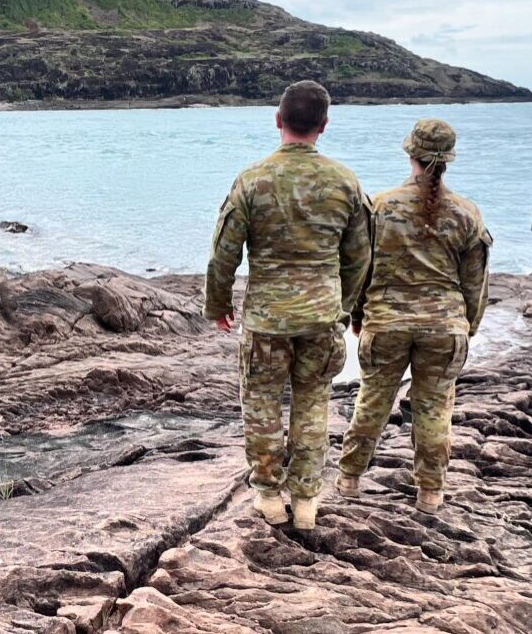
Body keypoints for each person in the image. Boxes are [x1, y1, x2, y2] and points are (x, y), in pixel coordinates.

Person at [204, 80, 371, 530]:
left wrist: (218, 303)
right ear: (324, 126)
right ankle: (306, 502)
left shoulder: (252, 179)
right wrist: (344, 307)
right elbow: (359, 258)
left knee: (261, 406)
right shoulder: (345, 182)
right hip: (321, 318)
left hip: (267, 319)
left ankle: (268, 497)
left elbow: (224, 253)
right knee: (313, 405)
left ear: (278, 121)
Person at [337, 118, 491, 514]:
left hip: (386, 322)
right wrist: (468, 326)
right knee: (435, 409)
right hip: (444, 327)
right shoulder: (467, 214)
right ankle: (430, 493)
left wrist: (356, 315)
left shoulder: (381, 206)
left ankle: (350, 479)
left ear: (411, 154)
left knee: (372, 401)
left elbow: (359, 268)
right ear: (449, 160)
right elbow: (474, 284)